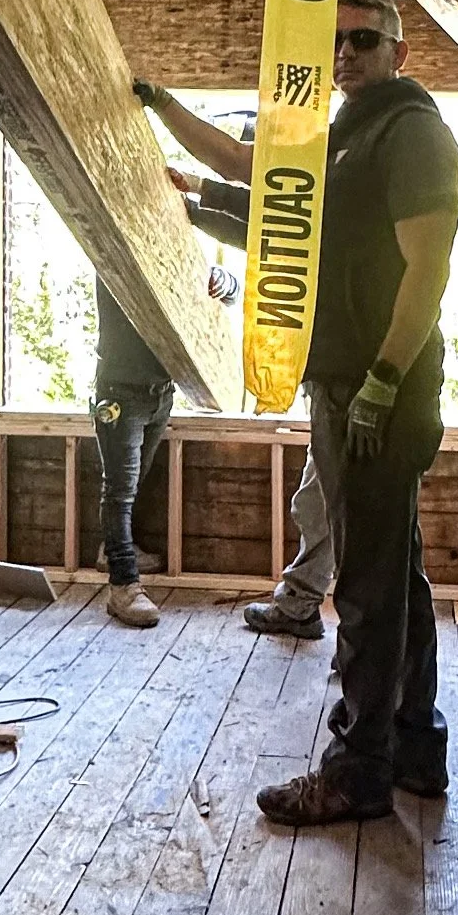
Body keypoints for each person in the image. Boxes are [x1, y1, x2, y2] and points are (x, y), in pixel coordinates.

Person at [187, 0, 458, 824]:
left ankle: (356, 769)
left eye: (363, 40)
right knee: (398, 576)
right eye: (335, 42)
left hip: (380, 390)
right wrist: (173, 131)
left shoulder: (411, 133)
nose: (345, 54)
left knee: (372, 588)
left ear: (398, 51)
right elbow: (275, 202)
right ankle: (417, 749)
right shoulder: (345, 136)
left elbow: (430, 267)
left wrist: (382, 381)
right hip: (351, 384)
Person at [136, 82, 333, 642]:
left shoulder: (314, 185)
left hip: (349, 372)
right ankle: (306, 603)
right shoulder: (300, 194)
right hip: (331, 369)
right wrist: (195, 205)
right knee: (319, 496)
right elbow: (255, 230)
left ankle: (304, 604)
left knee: (320, 499)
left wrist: (199, 188)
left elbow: (259, 214)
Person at [90, 257, 240, 628]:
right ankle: (123, 586)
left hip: (161, 392)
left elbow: (230, 296)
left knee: (133, 483)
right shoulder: (114, 249)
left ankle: (114, 551)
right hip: (120, 392)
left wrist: (226, 284)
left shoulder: (173, 250)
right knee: (120, 490)